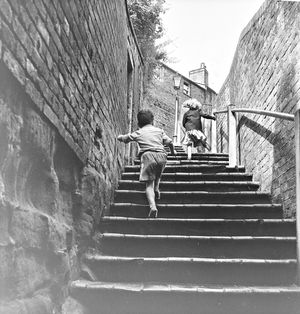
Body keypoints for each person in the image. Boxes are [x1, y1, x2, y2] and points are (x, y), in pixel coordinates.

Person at [117, 109, 176, 218]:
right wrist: (172, 152)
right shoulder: (159, 131)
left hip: (148, 156)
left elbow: (126, 138)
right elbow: (170, 142)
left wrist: (119, 137)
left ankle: (152, 206)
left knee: (149, 184)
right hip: (162, 156)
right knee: (158, 173)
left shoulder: (139, 132)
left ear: (138, 123)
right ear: (152, 121)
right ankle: (157, 189)